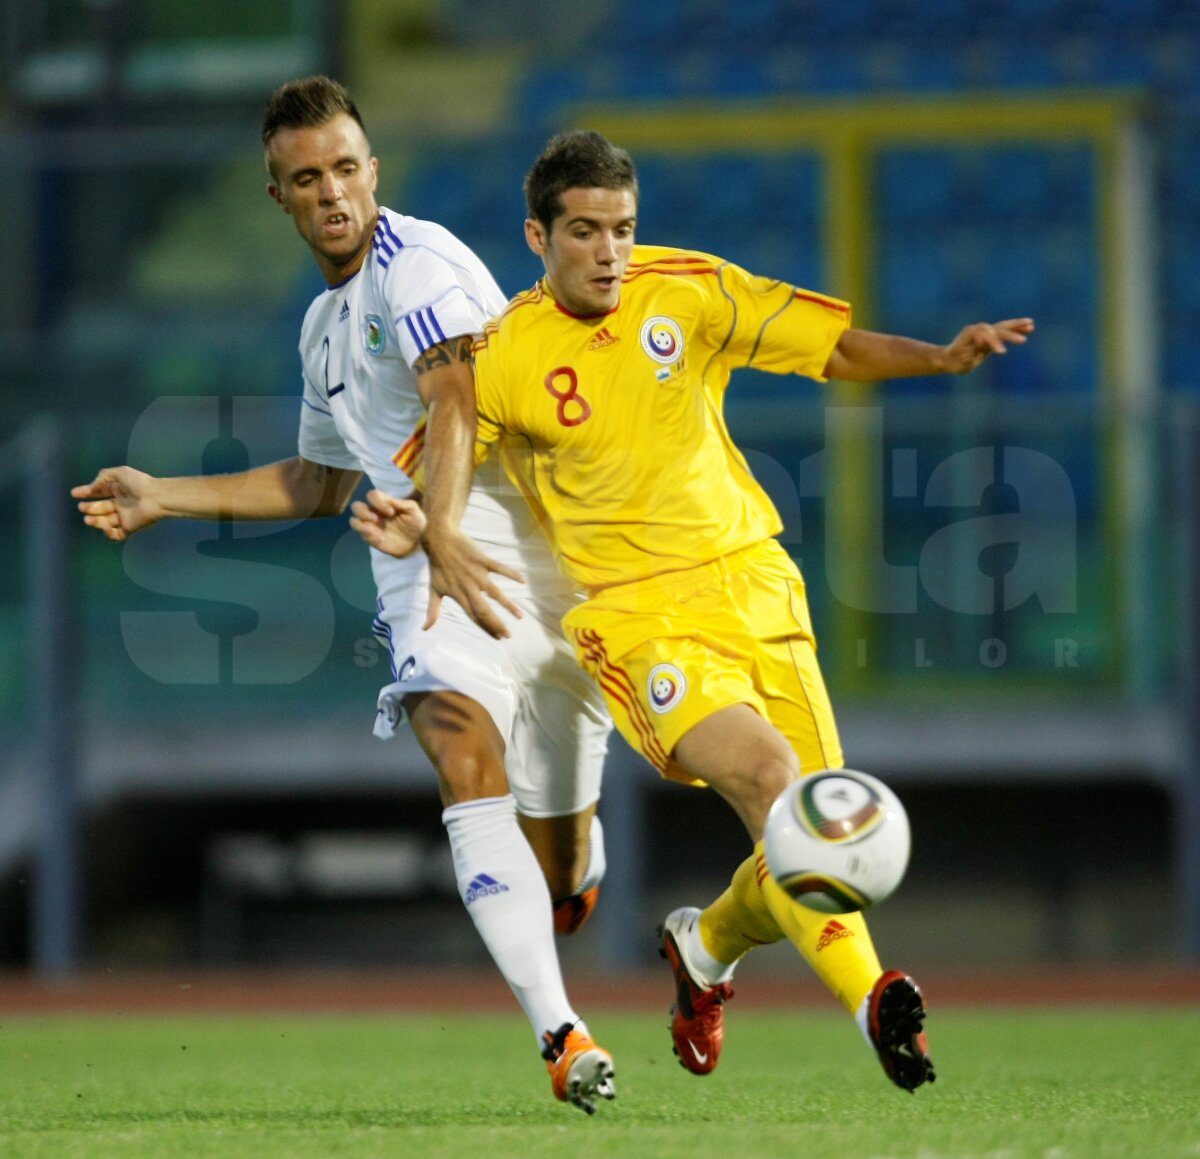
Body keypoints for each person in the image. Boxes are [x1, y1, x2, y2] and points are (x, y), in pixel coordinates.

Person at [354, 129, 1036, 1092]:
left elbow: (826, 345)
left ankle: (705, 946)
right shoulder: (502, 351)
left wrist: (940, 356)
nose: (608, 253)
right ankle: (873, 996)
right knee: (775, 782)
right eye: (584, 232)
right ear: (537, 237)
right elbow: (448, 448)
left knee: (809, 844)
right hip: (636, 617)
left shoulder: (691, 288)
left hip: (755, 582)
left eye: (622, 230)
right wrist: (420, 520)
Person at [71, 80, 617, 1115]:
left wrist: (446, 522)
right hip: (420, 553)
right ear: (276, 193)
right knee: (459, 748)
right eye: (308, 177)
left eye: (348, 167)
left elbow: (454, 400)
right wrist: (163, 498)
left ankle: (573, 858)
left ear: (375, 170)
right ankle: (563, 1033)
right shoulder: (325, 328)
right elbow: (323, 481)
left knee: (559, 867)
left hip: (532, 542)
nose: (334, 192)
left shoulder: (418, 263)